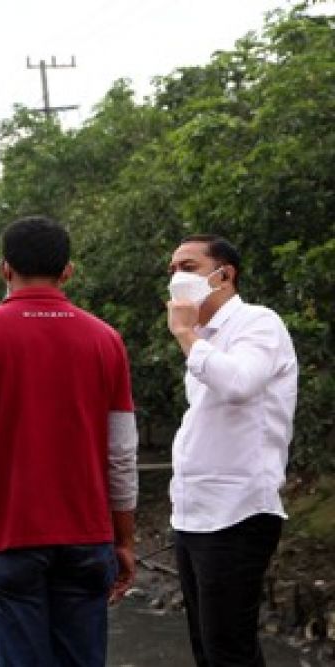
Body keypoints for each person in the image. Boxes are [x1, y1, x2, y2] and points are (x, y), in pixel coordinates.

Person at [0, 215, 138, 666]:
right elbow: (121, 453)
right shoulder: (106, 339)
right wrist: (124, 539)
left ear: (4, 269)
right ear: (68, 272)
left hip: (11, 540)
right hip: (88, 538)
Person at [165, 234, 298, 666]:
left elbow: (240, 384)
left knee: (229, 652)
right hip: (193, 513)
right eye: (172, 271)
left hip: (237, 511)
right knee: (208, 649)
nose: (176, 278)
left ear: (224, 275)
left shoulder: (259, 323)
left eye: (188, 268)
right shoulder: (206, 337)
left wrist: (185, 334)